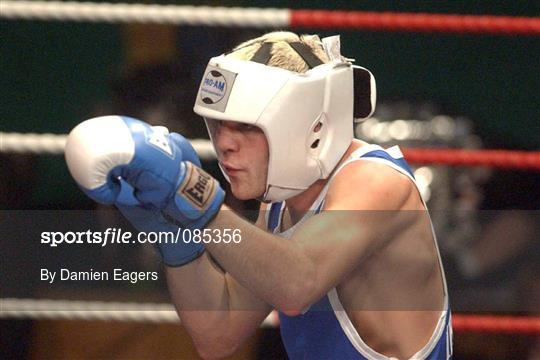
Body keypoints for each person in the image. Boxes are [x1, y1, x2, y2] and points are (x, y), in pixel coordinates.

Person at [65, 31, 452, 359]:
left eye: (245, 127)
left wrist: (195, 197)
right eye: (216, 126)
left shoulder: (375, 184)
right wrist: (171, 230)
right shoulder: (280, 202)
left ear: (309, 126)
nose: (225, 145)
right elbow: (218, 332)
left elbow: (299, 282)